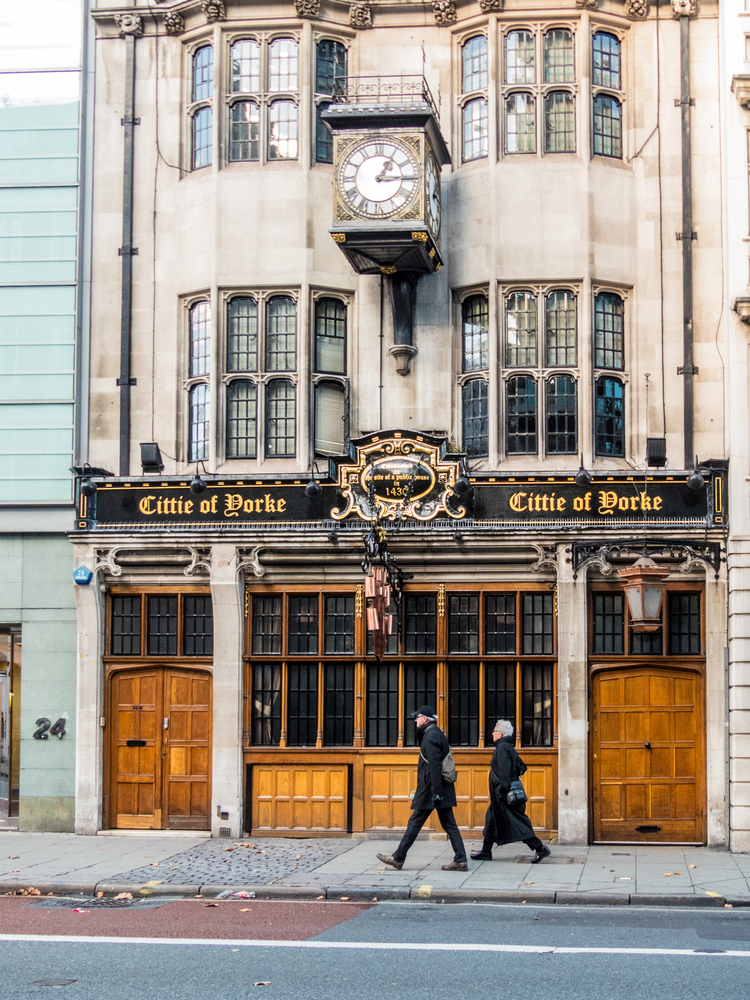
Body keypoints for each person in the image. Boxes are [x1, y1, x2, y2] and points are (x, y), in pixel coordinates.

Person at [377, 706, 468, 872]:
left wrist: (436, 793)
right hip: (439, 788)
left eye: (417, 717)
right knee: (449, 825)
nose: (415, 720)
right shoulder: (435, 733)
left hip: (431, 790)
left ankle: (398, 858)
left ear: (425, 719)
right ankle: (460, 859)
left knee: (415, 822)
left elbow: (434, 766)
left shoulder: (430, 736)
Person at [470, 719, 551, 864]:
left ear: (500, 733)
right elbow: (522, 767)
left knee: (518, 824)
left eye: (494, 731)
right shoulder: (508, 747)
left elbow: (505, 773)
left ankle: (540, 848)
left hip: (503, 797)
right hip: (500, 797)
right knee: (490, 821)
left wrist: (502, 790)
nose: (492, 734)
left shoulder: (502, 749)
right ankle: (485, 851)